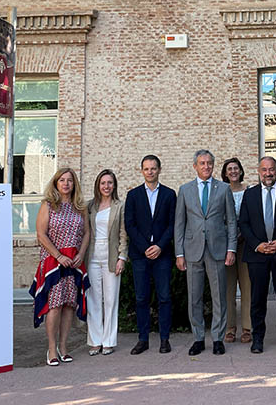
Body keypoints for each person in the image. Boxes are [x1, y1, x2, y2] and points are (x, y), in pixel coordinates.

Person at [175, 150, 238, 356]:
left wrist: (231, 248)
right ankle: (199, 338)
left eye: (209, 163)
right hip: (193, 251)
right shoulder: (185, 190)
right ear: (195, 166)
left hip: (217, 249)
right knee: (194, 297)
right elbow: (179, 224)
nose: (206, 166)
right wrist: (179, 253)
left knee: (219, 295)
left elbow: (231, 221)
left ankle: (218, 338)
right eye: (202, 163)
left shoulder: (224, 189)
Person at [29, 167, 90, 366]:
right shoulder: (48, 205)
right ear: (56, 183)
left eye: (69, 180)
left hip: (73, 262)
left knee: (69, 305)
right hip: (53, 262)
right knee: (54, 305)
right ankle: (52, 348)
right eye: (62, 180)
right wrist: (58, 255)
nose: (66, 183)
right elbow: (41, 234)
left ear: (74, 184)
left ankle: (64, 346)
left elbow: (87, 233)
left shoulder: (80, 206)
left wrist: (80, 254)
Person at [238, 156, 276, 353]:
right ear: (258, 171)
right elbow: (244, 224)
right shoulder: (250, 194)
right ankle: (258, 339)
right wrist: (258, 245)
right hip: (258, 254)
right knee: (257, 298)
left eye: (271, 169)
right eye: (264, 170)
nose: (268, 173)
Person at [124, 155, 177, 355]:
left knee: (164, 297)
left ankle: (164, 339)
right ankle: (143, 339)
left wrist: (160, 246)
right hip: (140, 254)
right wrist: (145, 246)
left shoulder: (169, 194)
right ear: (141, 171)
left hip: (162, 254)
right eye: (146, 169)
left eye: (153, 168)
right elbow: (130, 224)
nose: (150, 172)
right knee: (141, 298)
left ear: (159, 170)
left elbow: (173, 224)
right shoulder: (133, 195)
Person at [85, 169, 128, 356]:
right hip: (92, 257)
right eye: (103, 183)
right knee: (94, 300)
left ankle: (109, 341)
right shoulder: (89, 206)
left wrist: (122, 257)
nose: (106, 186)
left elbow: (123, 234)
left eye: (110, 183)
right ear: (98, 185)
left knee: (111, 300)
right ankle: (95, 341)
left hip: (111, 256)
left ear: (114, 185)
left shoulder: (120, 206)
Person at [221, 158, 252, 344]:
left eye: (236, 168)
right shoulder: (221, 191)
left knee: (247, 287)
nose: (233, 171)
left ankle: (247, 328)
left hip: (246, 244)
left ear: (241, 171)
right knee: (228, 289)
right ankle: (230, 328)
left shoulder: (249, 191)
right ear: (225, 173)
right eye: (229, 169)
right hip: (225, 246)